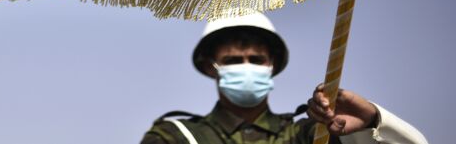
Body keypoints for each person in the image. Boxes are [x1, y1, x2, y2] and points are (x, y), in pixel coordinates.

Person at [140, 13, 428, 144]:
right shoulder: (174, 137)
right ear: (210, 67)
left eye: (255, 60)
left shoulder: (311, 136)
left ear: (272, 65)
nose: (246, 66)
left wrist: (371, 121)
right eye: (232, 61)